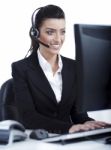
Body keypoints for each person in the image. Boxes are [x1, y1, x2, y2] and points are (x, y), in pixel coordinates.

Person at [11, 4, 110, 134]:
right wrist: (68, 128)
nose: (58, 39)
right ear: (36, 33)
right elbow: (28, 117)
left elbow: (77, 114)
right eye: (50, 32)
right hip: (38, 140)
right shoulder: (21, 68)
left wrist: (87, 122)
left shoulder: (74, 67)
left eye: (62, 31)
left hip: (67, 140)